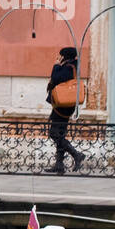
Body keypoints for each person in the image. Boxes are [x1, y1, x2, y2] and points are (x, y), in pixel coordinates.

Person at [44, 46, 85, 175]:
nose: (59, 57)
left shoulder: (68, 67)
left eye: (60, 55)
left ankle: (76, 154)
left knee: (54, 134)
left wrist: (56, 66)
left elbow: (56, 78)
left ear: (65, 56)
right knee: (59, 133)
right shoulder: (71, 66)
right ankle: (59, 165)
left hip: (63, 106)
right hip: (63, 105)